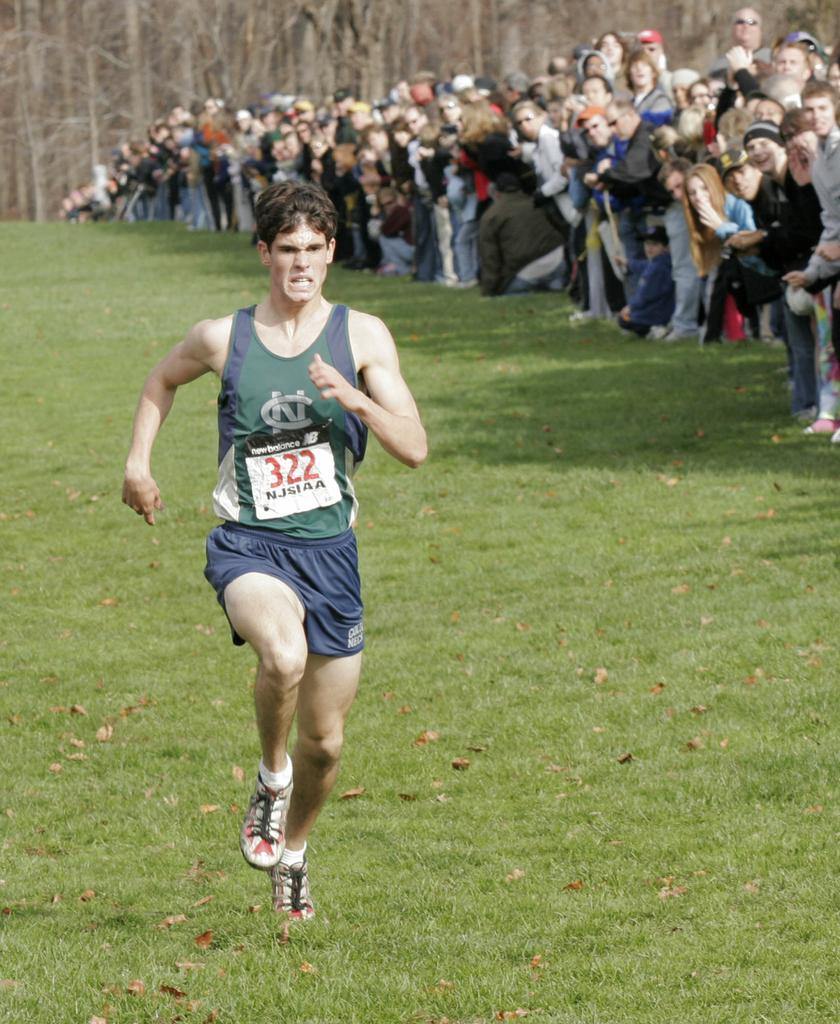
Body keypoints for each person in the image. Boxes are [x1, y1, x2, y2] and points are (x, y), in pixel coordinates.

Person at [121, 180, 428, 920]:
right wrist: (138, 462)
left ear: (331, 254)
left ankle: (293, 853)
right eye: (285, 250)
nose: (299, 266)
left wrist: (352, 397)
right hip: (248, 543)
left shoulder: (363, 337)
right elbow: (162, 380)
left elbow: (414, 447)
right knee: (282, 657)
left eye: (312, 251)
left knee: (326, 744)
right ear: (264, 252)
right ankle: (269, 776)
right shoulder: (223, 338)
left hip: (331, 556)